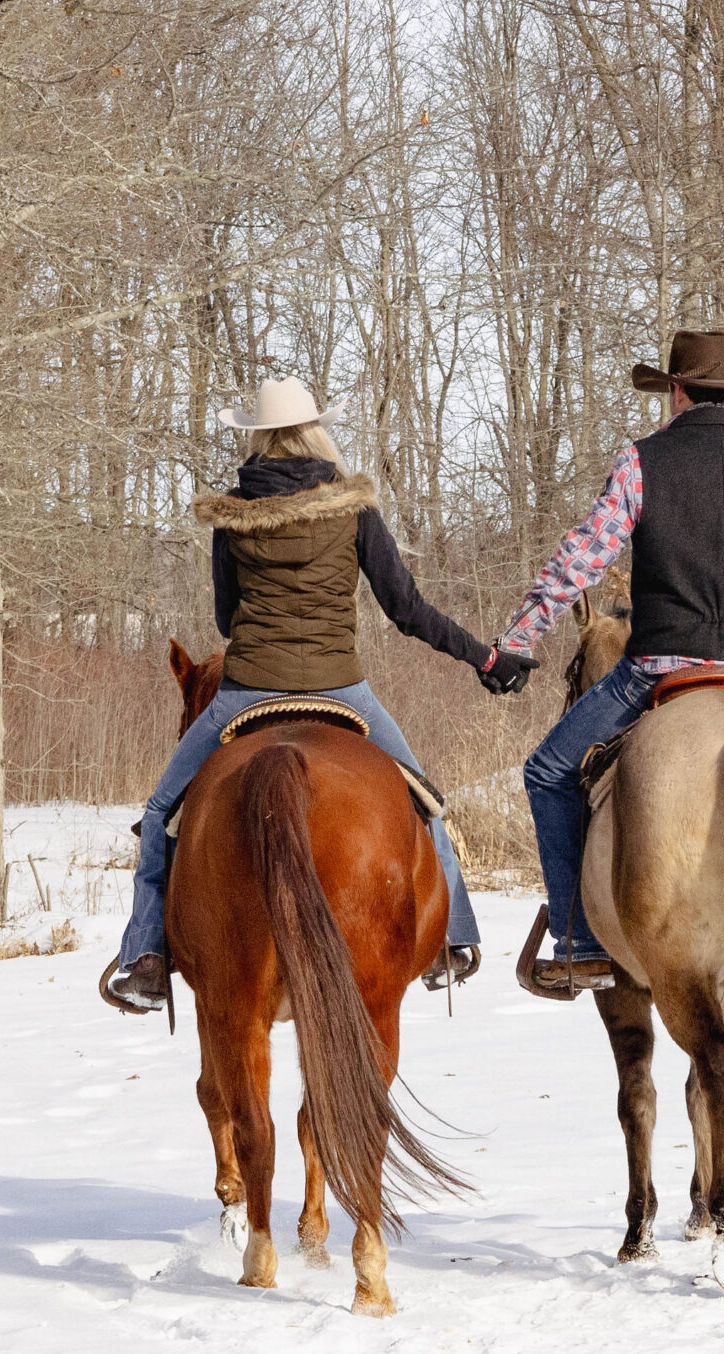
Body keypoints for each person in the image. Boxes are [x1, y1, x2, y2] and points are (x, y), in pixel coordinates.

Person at [105, 377, 531, 1011]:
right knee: (424, 800)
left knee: (163, 810)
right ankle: (449, 939)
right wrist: (484, 657)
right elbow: (407, 609)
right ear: (315, 432)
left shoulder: (233, 516)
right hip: (342, 687)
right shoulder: (352, 508)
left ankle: (147, 955)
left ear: (255, 438)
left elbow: (226, 622)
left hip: (247, 688)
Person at [483, 330, 724, 999]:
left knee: (546, 771)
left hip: (660, 667)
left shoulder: (643, 463)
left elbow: (583, 557)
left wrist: (521, 635)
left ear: (676, 390)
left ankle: (576, 937)